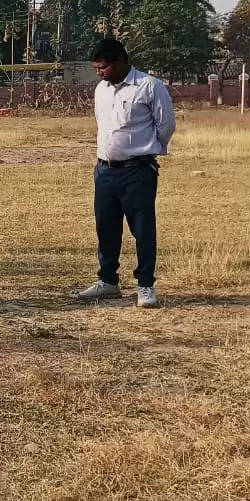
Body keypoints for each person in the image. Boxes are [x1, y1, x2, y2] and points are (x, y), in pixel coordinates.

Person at [76, 38, 175, 309]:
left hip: (137, 171)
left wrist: (146, 151)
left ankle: (145, 285)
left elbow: (165, 124)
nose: (100, 72)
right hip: (105, 171)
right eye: (96, 68)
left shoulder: (149, 86)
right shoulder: (101, 90)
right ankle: (107, 282)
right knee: (106, 227)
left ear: (120, 62)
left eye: (104, 67)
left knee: (142, 229)